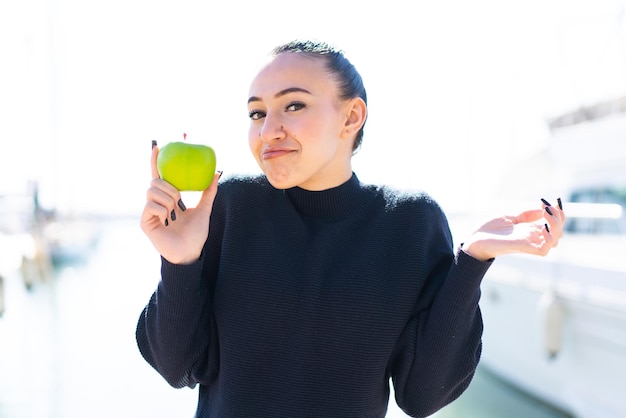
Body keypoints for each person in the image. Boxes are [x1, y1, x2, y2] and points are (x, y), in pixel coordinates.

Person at [136, 40, 565, 418]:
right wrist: (180, 261)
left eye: (293, 105)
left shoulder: (409, 223)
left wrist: (472, 261)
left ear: (351, 116)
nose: (268, 130)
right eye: (256, 112)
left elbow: (422, 397)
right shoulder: (231, 204)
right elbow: (179, 368)